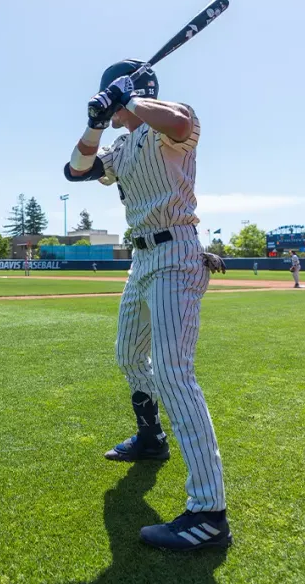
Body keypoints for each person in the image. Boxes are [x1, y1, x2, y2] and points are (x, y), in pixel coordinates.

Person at [64, 58, 229, 551]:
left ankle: (208, 514)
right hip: (141, 257)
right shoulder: (120, 144)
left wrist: (130, 96)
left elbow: (178, 122)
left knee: (175, 373)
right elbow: (77, 169)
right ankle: (151, 438)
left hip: (176, 251)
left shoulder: (170, 123)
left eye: (115, 100)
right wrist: (96, 120)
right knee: (129, 355)